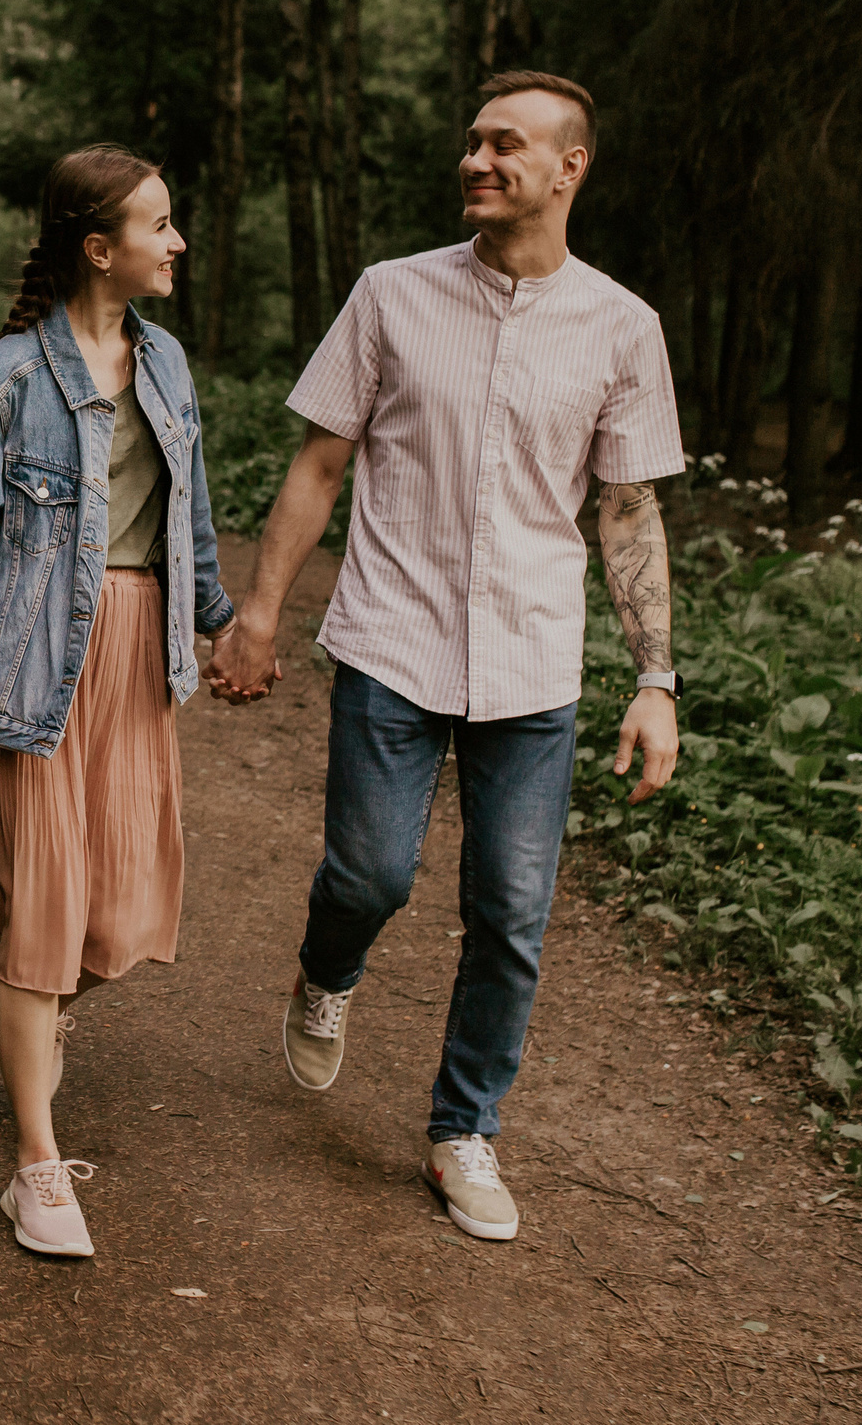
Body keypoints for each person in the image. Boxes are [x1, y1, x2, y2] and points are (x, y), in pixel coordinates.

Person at [208, 71, 685, 1243]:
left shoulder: (622, 326)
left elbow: (626, 510)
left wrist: (654, 681)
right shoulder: (390, 294)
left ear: (569, 168)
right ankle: (327, 973)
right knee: (370, 876)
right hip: (392, 637)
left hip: (533, 660)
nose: (475, 160)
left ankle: (462, 1130)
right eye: (472, 141)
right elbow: (320, 464)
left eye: (503, 144)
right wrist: (260, 613)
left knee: (511, 911)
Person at [0, 144, 235, 1259]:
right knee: (42, 917)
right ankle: (34, 1163)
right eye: (158, 225)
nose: (176, 242)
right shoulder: (8, 380)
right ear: (98, 249)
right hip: (34, 667)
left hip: (134, 666)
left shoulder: (165, 362)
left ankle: (41, 1029)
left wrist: (221, 622)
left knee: (110, 919)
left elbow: (190, 513)